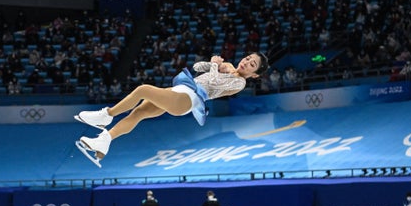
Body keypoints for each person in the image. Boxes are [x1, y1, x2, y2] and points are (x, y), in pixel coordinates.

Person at [75, 53, 267, 164]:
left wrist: (216, 67)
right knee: (139, 112)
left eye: (252, 64)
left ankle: (106, 115)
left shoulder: (239, 83)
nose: (246, 62)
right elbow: (197, 67)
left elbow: (215, 83)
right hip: (180, 89)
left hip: (188, 98)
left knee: (143, 89)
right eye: (248, 57)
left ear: (255, 74)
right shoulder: (229, 66)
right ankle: (104, 141)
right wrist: (212, 63)